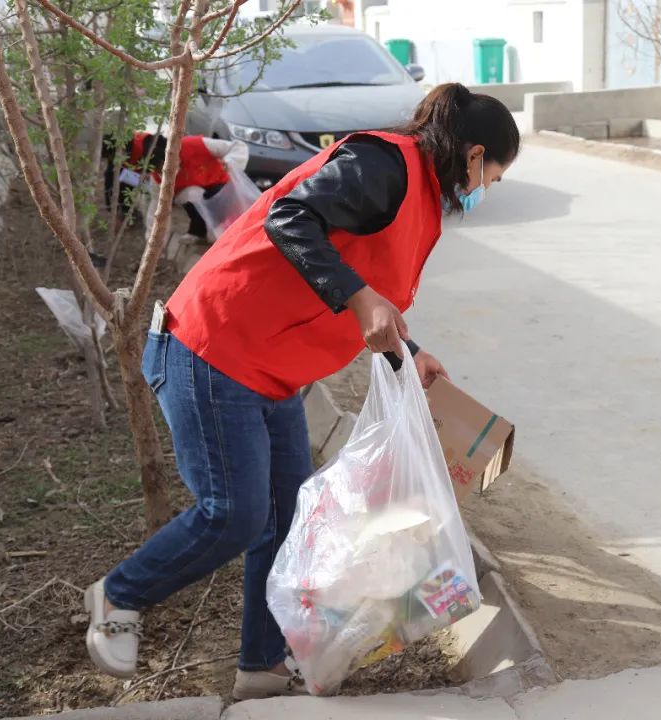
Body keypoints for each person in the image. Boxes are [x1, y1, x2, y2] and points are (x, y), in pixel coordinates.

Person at [83, 83, 520, 699]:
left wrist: (409, 353)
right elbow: (289, 217)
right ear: (474, 156)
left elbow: (362, 276)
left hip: (272, 369)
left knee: (285, 523)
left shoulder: (417, 194)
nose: (484, 191)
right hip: (213, 348)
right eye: (492, 178)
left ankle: (261, 665)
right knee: (235, 514)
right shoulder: (384, 164)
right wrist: (360, 296)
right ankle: (119, 595)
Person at [104, 131, 249, 242]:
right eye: (161, 170)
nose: (166, 171)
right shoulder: (158, 179)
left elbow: (239, 147)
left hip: (222, 185)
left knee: (229, 224)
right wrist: (153, 240)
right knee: (192, 195)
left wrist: (230, 162)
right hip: (197, 193)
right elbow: (156, 209)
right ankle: (199, 231)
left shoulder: (195, 145)